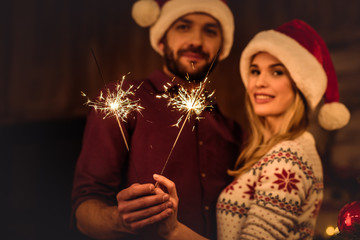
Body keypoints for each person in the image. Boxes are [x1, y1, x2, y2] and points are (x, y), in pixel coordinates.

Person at [153, 19, 351, 239]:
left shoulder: (289, 155)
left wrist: (172, 230)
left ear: (300, 85)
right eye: (255, 71)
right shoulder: (274, 150)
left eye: (276, 72)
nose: (259, 83)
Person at [71, 0, 241, 239]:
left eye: (210, 31)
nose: (197, 41)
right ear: (161, 40)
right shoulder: (121, 100)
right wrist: (120, 220)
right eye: (184, 26)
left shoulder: (231, 131)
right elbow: (83, 214)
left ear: (222, 49)